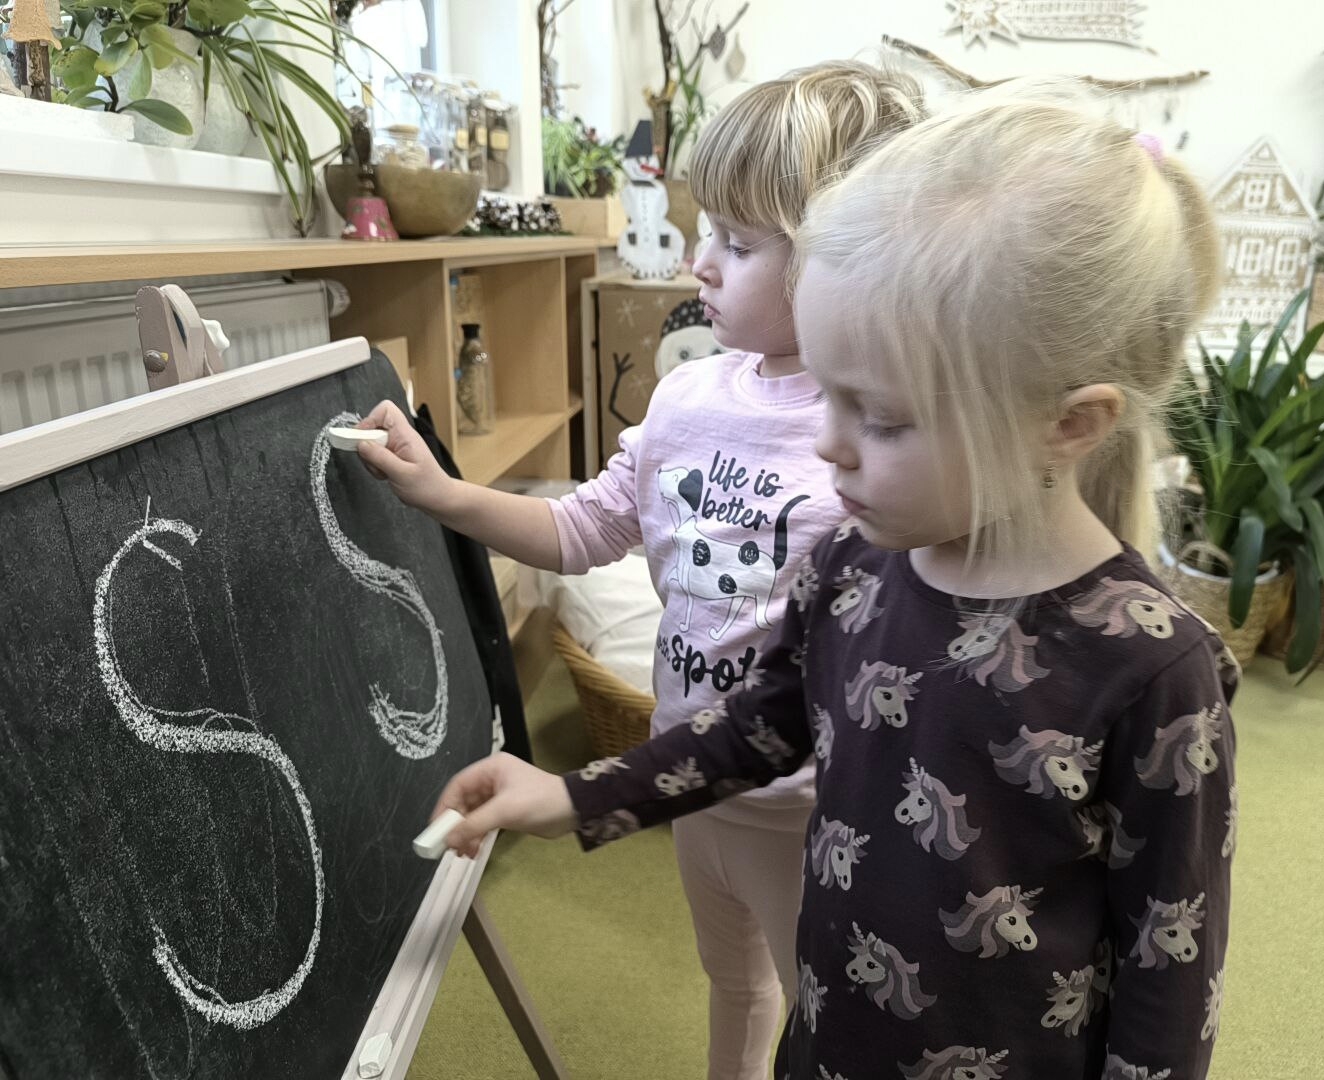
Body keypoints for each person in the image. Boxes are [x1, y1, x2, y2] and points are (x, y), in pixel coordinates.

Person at [430, 91, 1237, 1080]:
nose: (827, 445)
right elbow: (752, 731)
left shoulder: (1153, 672)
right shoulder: (850, 566)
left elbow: (1169, 979)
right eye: (830, 396)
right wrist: (572, 794)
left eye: (879, 418)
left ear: (1068, 425)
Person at [356, 62, 925, 1080]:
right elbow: (582, 527)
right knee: (733, 981)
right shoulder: (687, 399)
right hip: (686, 776)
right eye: (705, 231)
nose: (698, 264)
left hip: (813, 806)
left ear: (849, 258)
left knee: (827, 1017)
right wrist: (442, 494)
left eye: (737, 244)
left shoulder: (878, 433)